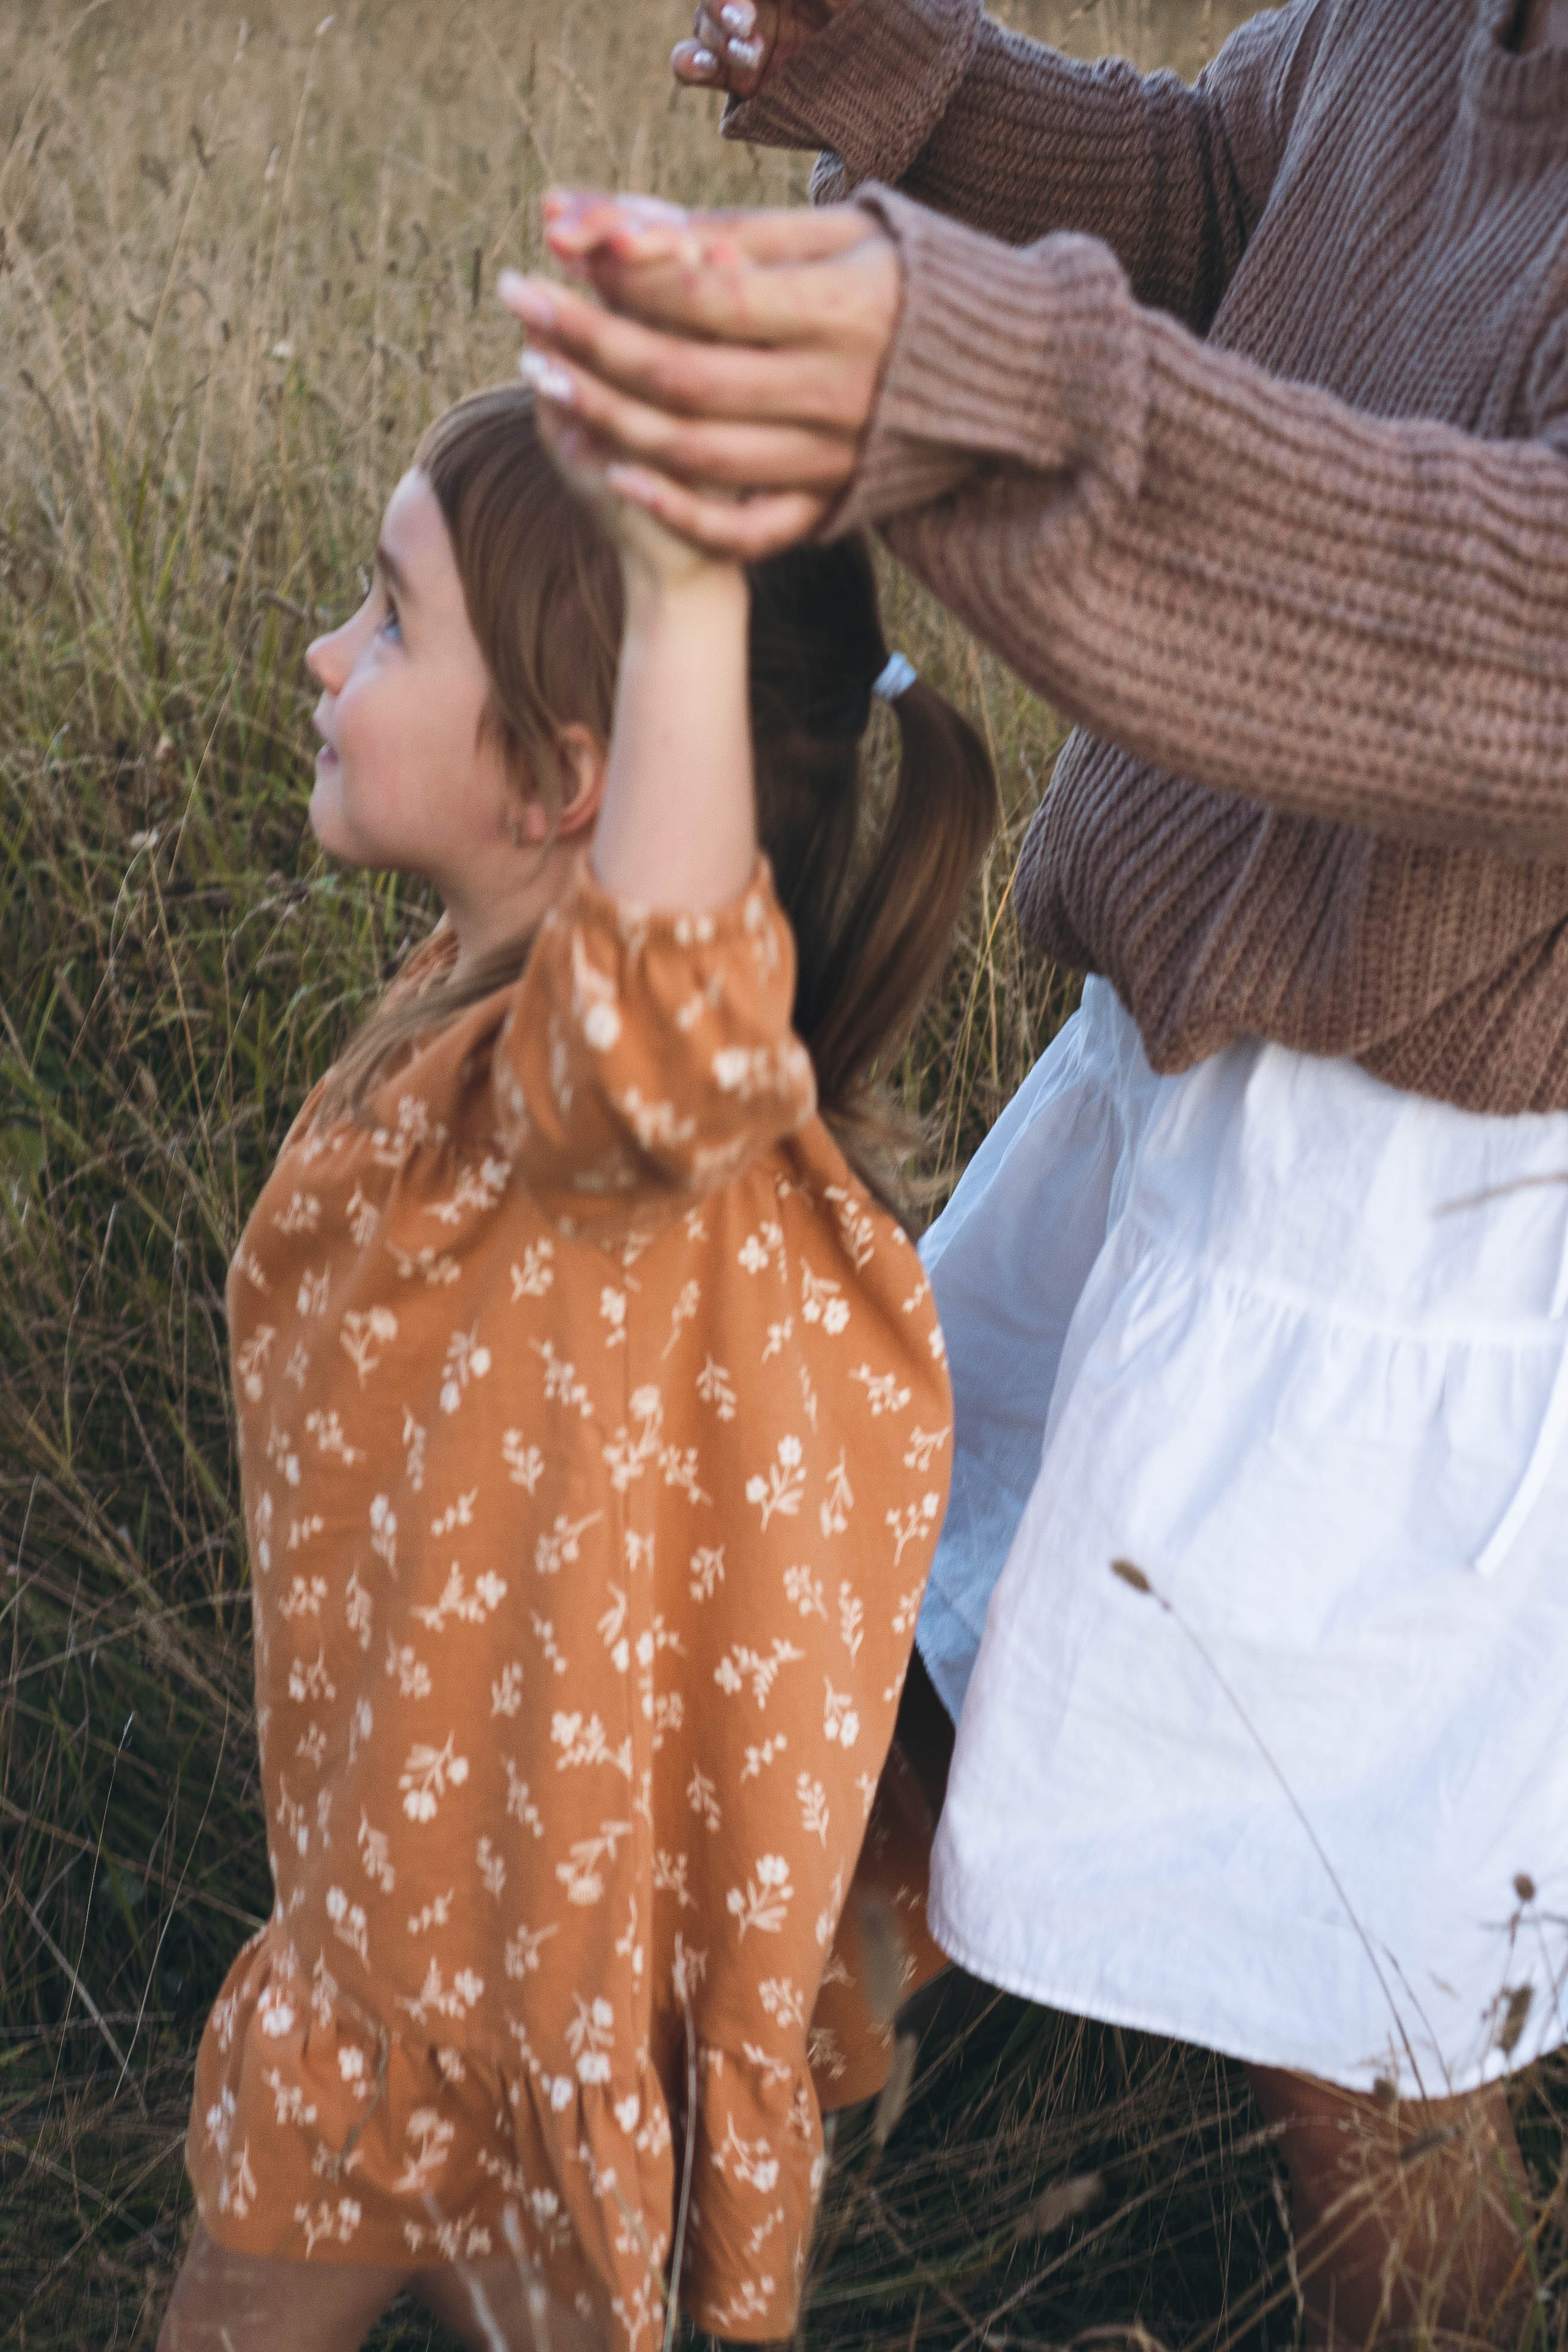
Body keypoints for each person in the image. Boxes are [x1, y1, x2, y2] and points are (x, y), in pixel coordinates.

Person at [496, 0, 1568, 2336]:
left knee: (1355, 2024)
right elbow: (1212, 208)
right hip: (1168, 1102)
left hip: (1439, 1240)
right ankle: (629, 2241)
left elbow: (1504, 605)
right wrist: (921, 90)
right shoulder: (1431, 29)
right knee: (886, 1694)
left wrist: (1010, 384)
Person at [159, 380, 995, 2352]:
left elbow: (677, 963)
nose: (323, 653)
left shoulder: (609, 1110)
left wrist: (687, 576)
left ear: (566, 782)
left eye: (385, 620)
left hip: (489, 1984)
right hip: (411, 1920)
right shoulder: (485, 1025)